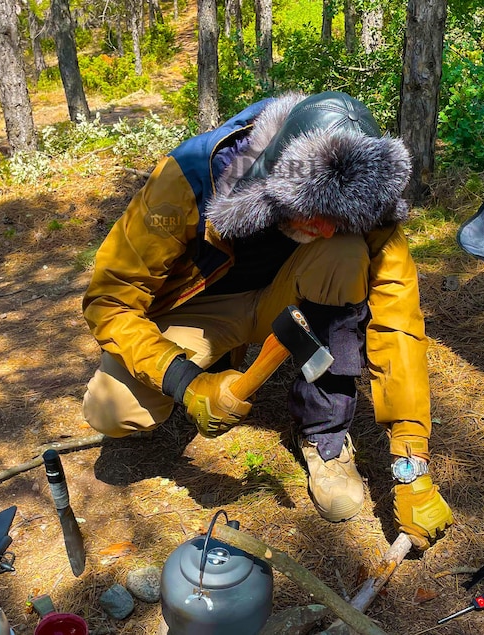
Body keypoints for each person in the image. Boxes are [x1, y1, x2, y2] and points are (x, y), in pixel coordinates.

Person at [81, 91, 453, 549]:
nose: (328, 227)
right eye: (318, 213)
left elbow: (398, 326)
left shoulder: (364, 198)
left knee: (343, 252)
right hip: (204, 309)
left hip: (290, 299)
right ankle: (213, 367)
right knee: (111, 407)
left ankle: (325, 432)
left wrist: (411, 464)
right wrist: (182, 381)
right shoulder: (190, 178)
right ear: (274, 180)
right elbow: (109, 300)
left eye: (342, 216)